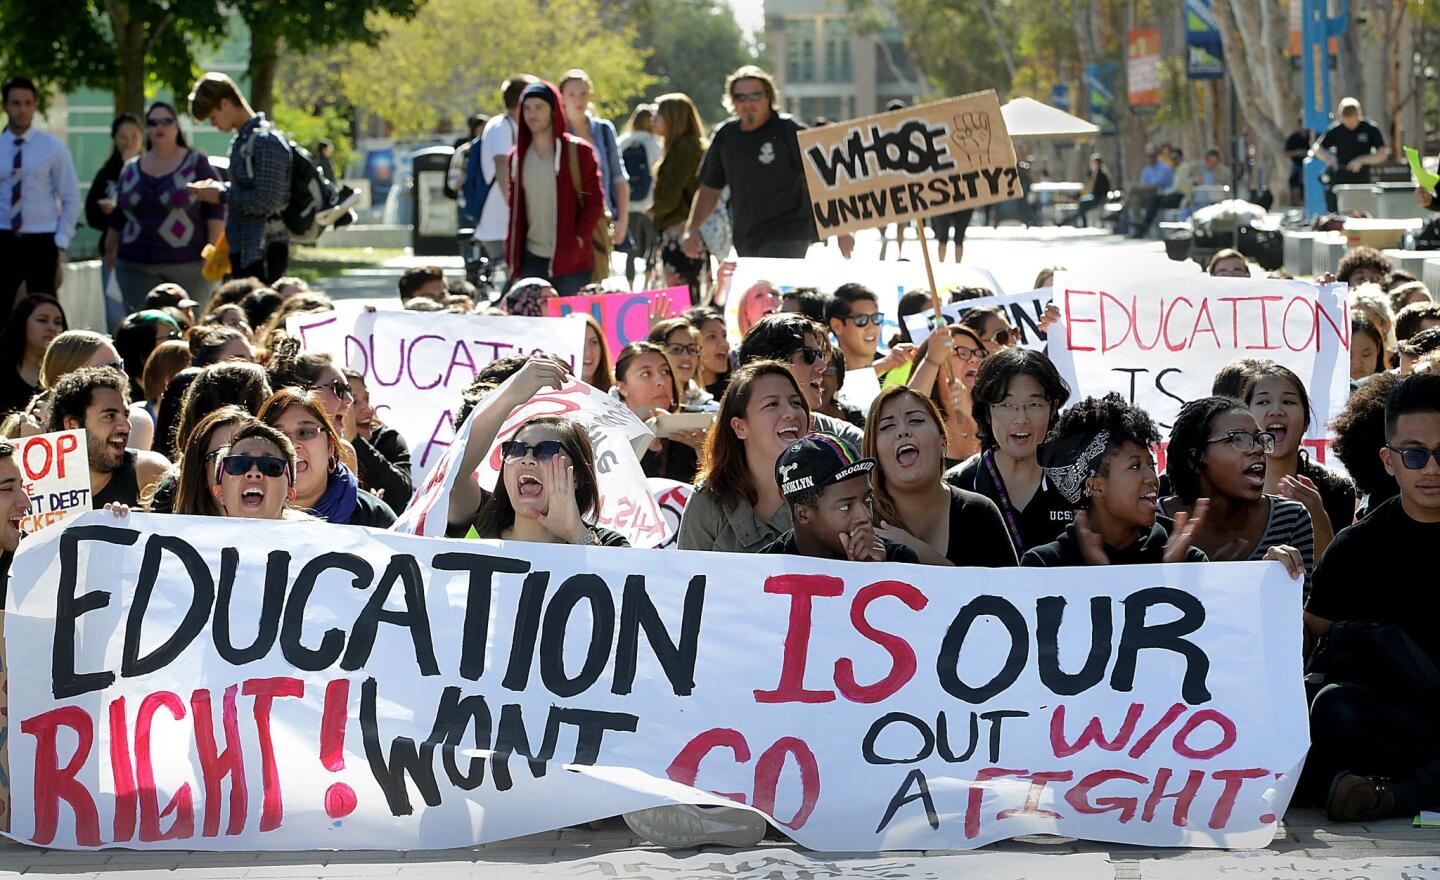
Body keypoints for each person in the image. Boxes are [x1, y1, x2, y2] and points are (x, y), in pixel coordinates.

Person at [1303, 372, 1440, 822]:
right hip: (1399, 721)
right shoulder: (1356, 547)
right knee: (1332, 710)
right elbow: (1314, 628)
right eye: (1415, 455)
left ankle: (1393, 796)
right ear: (1388, 460)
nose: (1432, 469)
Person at [682, 66, 852, 261]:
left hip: (789, 233)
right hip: (746, 236)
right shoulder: (725, 136)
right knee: (758, 289)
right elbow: (709, 190)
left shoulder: (788, 130)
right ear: (732, 101)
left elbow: (823, 177)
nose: (748, 103)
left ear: (768, 97)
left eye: (755, 96)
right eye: (741, 97)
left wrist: (842, 228)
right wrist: (691, 229)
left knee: (772, 286)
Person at [1021, 393, 1208, 566]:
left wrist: (1173, 576)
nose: (1152, 478)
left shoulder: (1186, 559)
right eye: (1135, 466)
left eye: (1151, 465)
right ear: (1096, 486)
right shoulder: (1044, 564)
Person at [1158, 396, 1313, 592]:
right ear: (1195, 459)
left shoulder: (1291, 519)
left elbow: (1299, 621)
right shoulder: (1156, 521)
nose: (1257, 448)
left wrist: (1269, 580)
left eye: (1259, 439)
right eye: (1237, 439)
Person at [864, 385, 1016, 566]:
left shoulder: (979, 512)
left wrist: (921, 553)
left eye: (916, 420)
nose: (903, 431)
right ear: (876, 455)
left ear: (943, 443)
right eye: (887, 426)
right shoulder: (859, 521)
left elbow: (1009, 592)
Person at [947, 347, 1074, 557]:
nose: (1021, 418)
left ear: (1052, 409)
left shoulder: (1078, 486)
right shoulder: (958, 485)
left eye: (1034, 404)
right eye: (1006, 405)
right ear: (987, 412)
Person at [267, 335, 412, 512]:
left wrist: (364, 509)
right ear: (302, 392)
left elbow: (400, 494)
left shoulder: (351, 452)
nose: (349, 400)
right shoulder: (258, 449)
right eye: (338, 389)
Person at [677, 360, 808, 553]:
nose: (791, 413)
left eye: (796, 403)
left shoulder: (828, 490)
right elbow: (686, 577)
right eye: (772, 404)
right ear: (740, 427)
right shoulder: (708, 499)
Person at [108, 101, 224, 312]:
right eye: (153, 122)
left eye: (166, 121)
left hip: (188, 268)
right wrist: (109, 250)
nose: (159, 127)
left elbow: (216, 208)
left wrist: (212, 253)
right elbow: (119, 215)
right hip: (134, 267)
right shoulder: (131, 168)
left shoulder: (197, 163)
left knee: (188, 332)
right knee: (141, 331)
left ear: (176, 127)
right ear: (147, 129)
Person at [186, 72, 292, 283]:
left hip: (263, 252)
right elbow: (248, 189)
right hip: (242, 250)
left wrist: (222, 195)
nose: (213, 125)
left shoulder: (266, 140)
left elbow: (267, 200)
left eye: (212, 117)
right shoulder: (242, 140)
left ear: (225, 103)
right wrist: (218, 189)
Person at [1242, 361, 1356, 550]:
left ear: (1305, 422)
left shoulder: (1335, 488)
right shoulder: (1228, 486)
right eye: (1263, 402)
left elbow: (1335, 573)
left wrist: (1318, 517)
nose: (1276, 411)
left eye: (1288, 402)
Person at [504, 80, 604, 296]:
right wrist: (511, 254)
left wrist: (577, 238)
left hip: (572, 262)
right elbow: (515, 208)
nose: (532, 114)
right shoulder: (516, 157)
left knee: (571, 326)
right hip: (531, 258)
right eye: (527, 109)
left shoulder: (578, 152)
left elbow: (594, 201)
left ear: (553, 110)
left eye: (539, 107)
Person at [762, 432, 918, 562]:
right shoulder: (761, 572)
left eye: (867, 500)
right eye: (845, 506)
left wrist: (878, 575)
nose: (865, 516)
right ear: (802, 514)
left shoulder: (899, 560)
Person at [0, 75, 81, 315]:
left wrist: (60, 241)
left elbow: (71, 198)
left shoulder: (53, 148)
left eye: (27, 103)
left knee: (45, 309)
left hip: (41, 239)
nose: (22, 109)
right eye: (15, 103)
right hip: (4, 236)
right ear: (5, 106)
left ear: (35, 105)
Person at [258, 388, 394, 528]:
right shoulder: (242, 512)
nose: (292, 445)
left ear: (330, 446)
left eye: (305, 432)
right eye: (278, 435)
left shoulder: (374, 518)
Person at [45, 365, 169, 509]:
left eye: (126, 415)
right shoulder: (39, 488)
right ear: (72, 425)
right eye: (109, 416)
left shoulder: (151, 474)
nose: (126, 426)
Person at [736, 313, 863, 450]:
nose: (822, 366)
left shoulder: (847, 440)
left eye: (820, 355)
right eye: (809, 356)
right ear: (770, 365)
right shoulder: (727, 442)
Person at [559, 70, 628, 281]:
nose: (578, 100)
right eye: (571, 94)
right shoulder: (558, 132)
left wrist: (622, 220)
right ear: (561, 97)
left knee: (599, 278)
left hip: (600, 218)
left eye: (582, 93)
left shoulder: (604, 130)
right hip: (569, 221)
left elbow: (619, 176)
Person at [613, 341, 701, 482]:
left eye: (665, 371)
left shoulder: (692, 431)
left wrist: (702, 450)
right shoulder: (611, 439)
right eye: (646, 373)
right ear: (622, 387)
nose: (661, 381)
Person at [472, 75, 536, 264]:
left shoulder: (511, 126)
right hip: (501, 224)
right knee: (513, 278)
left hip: (504, 223)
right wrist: (516, 210)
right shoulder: (502, 127)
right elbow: (502, 167)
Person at [650, 93, 707, 301]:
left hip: (680, 233)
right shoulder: (687, 146)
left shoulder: (684, 149)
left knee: (683, 298)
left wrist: (655, 209)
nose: (653, 118)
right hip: (685, 232)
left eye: (659, 113)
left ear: (673, 118)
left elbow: (669, 195)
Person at [86, 112, 142, 321]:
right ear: (115, 139)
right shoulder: (106, 173)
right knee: (116, 315)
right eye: (123, 137)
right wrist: (111, 217)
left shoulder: (151, 168)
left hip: (144, 251)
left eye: (134, 136)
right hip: (113, 253)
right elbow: (91, 214)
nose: (129, 142)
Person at [907, 323, 987, 463]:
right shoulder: (925, 425)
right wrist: (931, 360)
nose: (975, 359)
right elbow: (905, 410)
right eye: (962, 353)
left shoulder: (994, 412)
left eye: (979, 353)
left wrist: (970, 413)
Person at [344, 369, 413, 515]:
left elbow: (402, 492)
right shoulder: (321, 445)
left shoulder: (390, 439)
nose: (367, 409)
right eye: (354, 401)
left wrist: (356, 442)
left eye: (367, 399)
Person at [165, 404, 252, 515]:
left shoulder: (279, 530)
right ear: (201, 471)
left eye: (246, 457)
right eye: (224, 457)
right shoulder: (174, 531)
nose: (252, 471)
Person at [210, 418, 301, 520]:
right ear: (219, 492)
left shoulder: (318, 534)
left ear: (289, 494)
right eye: (238, 464)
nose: (254, 472)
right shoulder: (193, 535)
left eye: (271, 466)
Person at [1312, 97, 1389, 213]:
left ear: (1359, 115)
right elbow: (1317, 147)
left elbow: (1383, 154)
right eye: (1346, 121)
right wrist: (1328, 158)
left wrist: (1362, 160)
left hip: (1362, 180)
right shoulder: (1336, 130)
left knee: (1362, 212)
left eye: (1353, 121)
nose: (1350, 125)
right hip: (1340, 179)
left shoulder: (1370, 129)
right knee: (1338, 212)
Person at [825, 283, 914, 380]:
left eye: (876, 318)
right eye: (861, 319)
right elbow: (841, 391)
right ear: (837, 326)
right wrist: (882, 366)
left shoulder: (896, 366)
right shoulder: (820, 373)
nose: (872, 327)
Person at [0, 293, 65, 418]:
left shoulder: (70, 375)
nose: (52, 328)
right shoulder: (3, 374)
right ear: (21, 324)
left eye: (57, 322)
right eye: (42, 320)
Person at [618, 103, 660, 290]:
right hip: (649, 204)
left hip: (628, 204)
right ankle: (646, 285)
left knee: (631, 249)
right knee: (650, 245)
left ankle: (630, 284)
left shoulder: (623, 141)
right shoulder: (653, 143)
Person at [648, 318, 712, 409]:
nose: (686, 357)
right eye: (676, 349)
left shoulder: (712, 410)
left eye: (692, 349)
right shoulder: (633, 409)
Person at [0, 438, 31, 600]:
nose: (26, 503)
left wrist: (111, 524)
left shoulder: (38, 557)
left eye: (21, 487)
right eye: (7, 489)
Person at [1122, 146, 1175, 239]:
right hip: (1147, 195)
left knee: (1134, 190)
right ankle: (1137, 225)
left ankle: (1123, 207)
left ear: (1156, 156)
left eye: (1152, 156)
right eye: (1148, 156)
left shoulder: (1163, 168)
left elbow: (1153, 186)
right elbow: (1143, 185)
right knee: (1135, 199)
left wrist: (1134, 187)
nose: (1150, 158)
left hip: (1161, 195)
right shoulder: (1146, 169)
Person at [685, 306, 730, 399]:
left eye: (724, 335)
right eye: (712, 336)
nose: (724, 344)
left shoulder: (738, 393)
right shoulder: (679, 397)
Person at [1178, 148, 1233, 213]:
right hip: (1194, 201)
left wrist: (1218, 186)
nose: (1212, 165)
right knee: (1183, 212)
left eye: (1214, 163)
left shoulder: (1224, 172)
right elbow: (1182, 184)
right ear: (1205, 159)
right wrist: (1193, 180)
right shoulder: (1194, 167)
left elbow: (1229, 191)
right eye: (1210, 161)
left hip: (1215, 203)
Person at [1063, 154, 1110, 228]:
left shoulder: (1102, 175)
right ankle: (1078, 222)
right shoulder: (1094, 174)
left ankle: (1070, 222)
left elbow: (1104, 189)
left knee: (1082, 203)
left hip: (1098, 198)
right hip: (1094, 196)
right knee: (1081, 201)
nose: (1092, 165)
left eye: (1094, 163)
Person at [1351, 314, 1387, 382]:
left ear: (1378, 348)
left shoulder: (1395, 389)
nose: (1357, 364)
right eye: (1349, 356)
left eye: (1366, 354)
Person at [1284, 120, 1312, 206]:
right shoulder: (1293, 138)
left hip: (1310, 166)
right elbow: (1286, 153)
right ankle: (1297, 202)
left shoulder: (1312, 137)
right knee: (1295, 183)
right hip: (1297, 164)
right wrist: (1297, 152)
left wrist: (1307, 152)